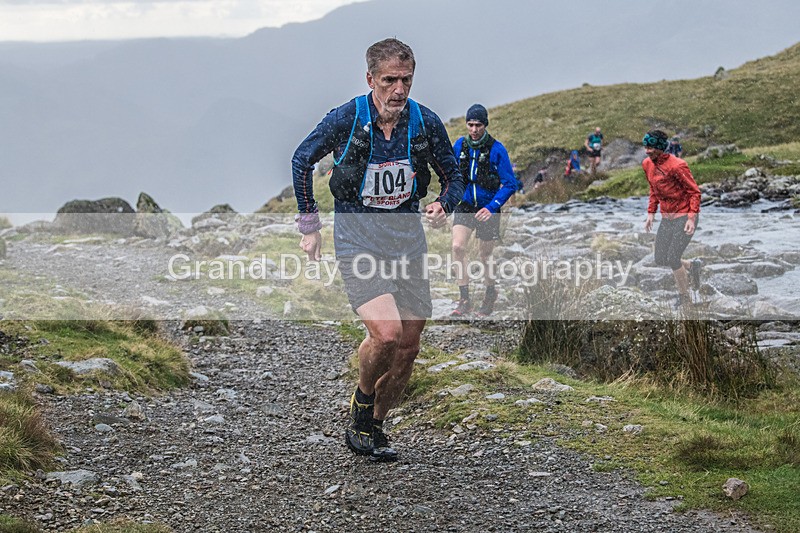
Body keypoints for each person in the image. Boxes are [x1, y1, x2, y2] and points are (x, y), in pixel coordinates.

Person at [291, 38, 465, 462]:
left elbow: (454, 176)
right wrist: (310, 225)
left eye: (406, 80)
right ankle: (362, 402)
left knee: (408, 347)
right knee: (386, 334)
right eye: (389, 80)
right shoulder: (347, 118)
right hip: (359, 240)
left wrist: (445, 204)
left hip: (408, 243)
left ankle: (376, 425)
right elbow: (301, 159)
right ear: (370, 79)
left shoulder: (424, 122)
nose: (399, 90)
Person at [450, 104, 518, 317]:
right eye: (470, 124)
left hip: (488, 207)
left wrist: (492, 207)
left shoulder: (497, 149)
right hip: (465, 205)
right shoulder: (460, 146)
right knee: (457, 247)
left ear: (485, 125)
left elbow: (510, 184)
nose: (474, 129)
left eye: (478, 125)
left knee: (485, 254)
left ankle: (490, 293)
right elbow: (449, 173)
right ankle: (464, 298)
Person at [642, 129, 702, 307]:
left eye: (651, 147)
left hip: (684, 216)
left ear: (660, 147)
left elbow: (694, 192)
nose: (647, 151)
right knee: (660, 258)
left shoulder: (677, 165)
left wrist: (691, 218)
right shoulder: (647, 164)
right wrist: (651, 213)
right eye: (645, 147)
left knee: (673, 258)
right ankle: (692, 266)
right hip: (667, 217)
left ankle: (685, 298)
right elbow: (653, 190)